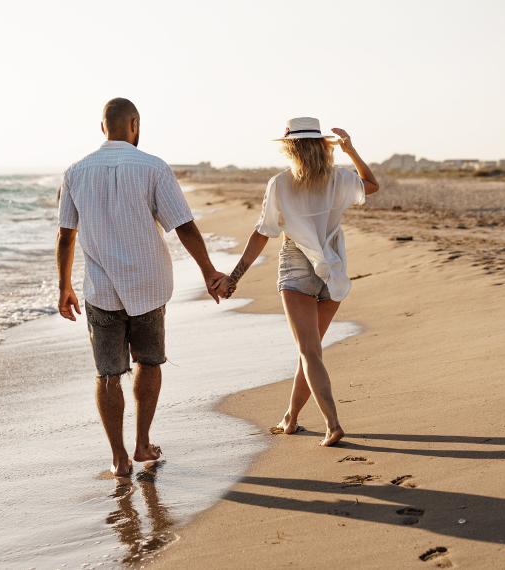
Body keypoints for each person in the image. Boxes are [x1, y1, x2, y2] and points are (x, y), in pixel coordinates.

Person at [55, 98, 227, 476]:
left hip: (100, 290)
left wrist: (64, 286)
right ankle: (142, 444)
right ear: (134, 124)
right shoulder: (153, 167)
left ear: (103, 128)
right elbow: (183, 225)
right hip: (147, 286)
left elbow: (67, 236)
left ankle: (118, 458)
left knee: (107, 374)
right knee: (149, 361)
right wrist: (209, 271)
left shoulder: (75, 172)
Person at [214, 117, 379, 446]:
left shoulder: (280, 183)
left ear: (290, 148)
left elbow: (262, 233)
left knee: (309, 352)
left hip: (297, 266)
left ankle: (332, 423)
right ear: (322, 146)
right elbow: (371, 185)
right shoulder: (339, 178)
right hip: (333, 266)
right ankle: (291, 417)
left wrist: (233, 278)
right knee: (311, 352)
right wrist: (351, 150)